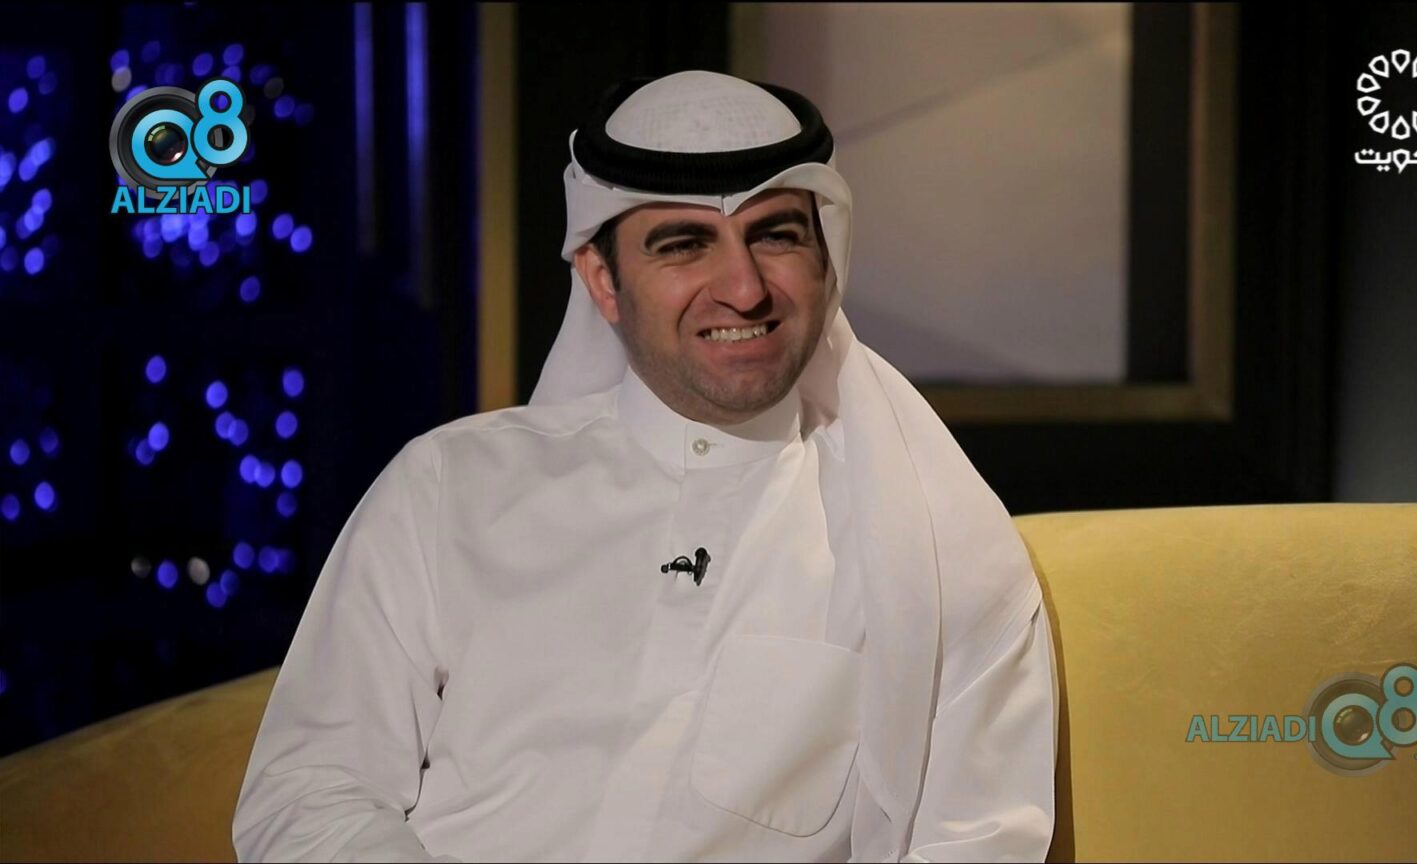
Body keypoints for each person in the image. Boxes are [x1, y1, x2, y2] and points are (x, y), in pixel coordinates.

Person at [233, 70, 1057, 863]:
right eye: (684, 245)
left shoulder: (932, 546)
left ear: (826, 259)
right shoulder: (450, 490)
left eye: (776, 234)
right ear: (602, 280)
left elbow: (979, 843)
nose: (743, 288)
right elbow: (307, 794)